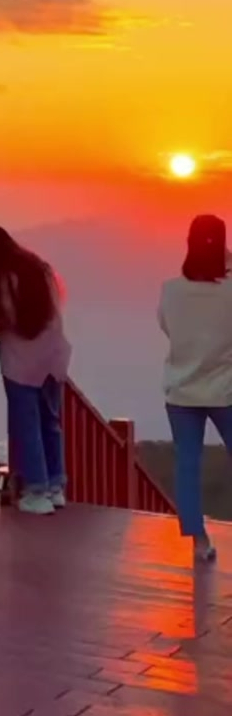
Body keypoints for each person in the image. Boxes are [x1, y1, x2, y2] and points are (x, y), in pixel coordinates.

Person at [0, 226, 71, 516]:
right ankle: (55, 486)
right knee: (50, 423)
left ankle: (35, 491)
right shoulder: (40, 269)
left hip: (22, 364)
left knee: (27, 426)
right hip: (53, 358)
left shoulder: (0, 279)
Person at [157, 214, 232, 565]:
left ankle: (199, 541)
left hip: (181, 391)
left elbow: (167, 327)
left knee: (188, 464)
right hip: (224, 391)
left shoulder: (171, 290)